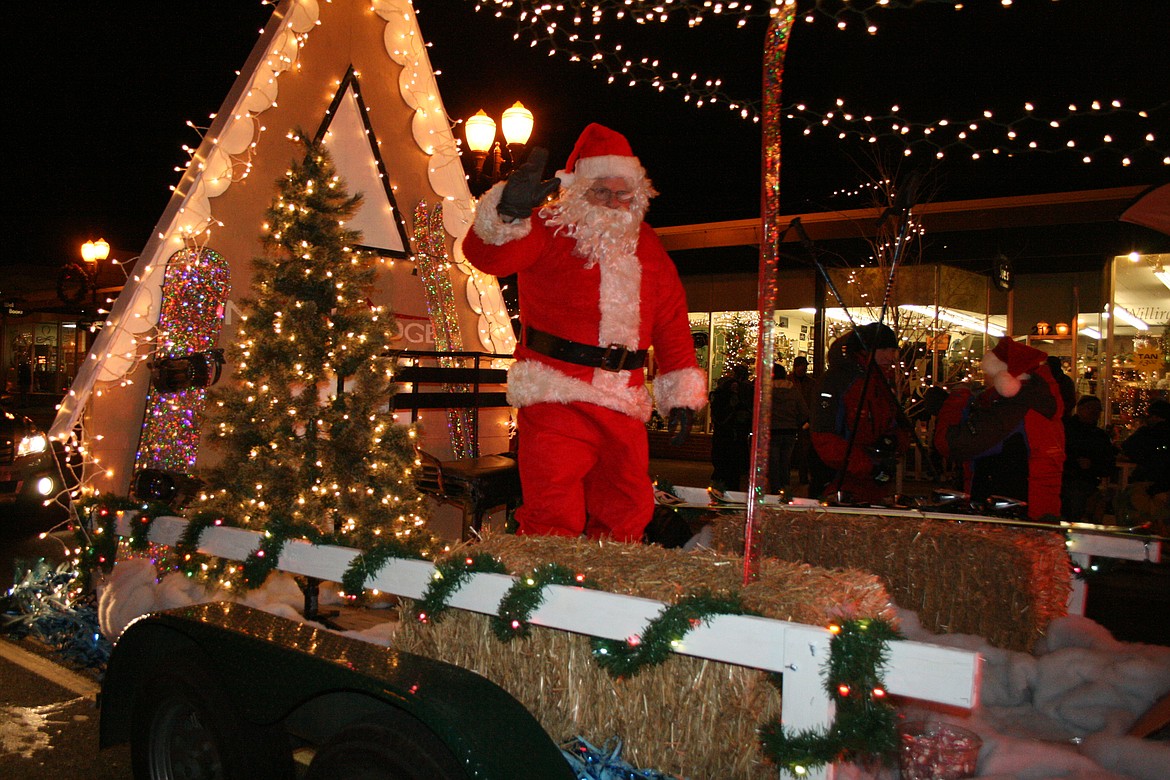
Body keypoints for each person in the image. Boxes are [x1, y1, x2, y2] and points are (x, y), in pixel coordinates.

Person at [461, 123, 708, 541]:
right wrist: (507, 213)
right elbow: (487, 256)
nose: (614, 202)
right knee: (553, 511)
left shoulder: (647, 245)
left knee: (627, 509)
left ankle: (609, 598)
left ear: (638, 193)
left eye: (623, 193)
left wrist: (680, 392)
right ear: (577, 189)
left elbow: (670, 319)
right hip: (557, 392)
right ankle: (540, 599)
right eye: (601, 192)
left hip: (624, 399)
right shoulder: (544, 227)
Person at [934, 336, 1066, 519]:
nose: (986, 380)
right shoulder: (1037, 402)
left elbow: (952, 443)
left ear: (1005, 378)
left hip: (1007, 513)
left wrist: (956, 401)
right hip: (1037, 508)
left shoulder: (1012, 410)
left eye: (989, 374)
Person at [810, 322, 909, 504]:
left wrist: (894, 442)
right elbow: (824, 437)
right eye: (884, 349)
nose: (891, 356)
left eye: (893, 350)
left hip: (874, 485)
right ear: (865, 350)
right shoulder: (839, 380)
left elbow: (894, 424)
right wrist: (868, 466)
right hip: (838, 484)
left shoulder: (881, 381)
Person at [1060, 395, 1116, 520]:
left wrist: (1092, 465)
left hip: (1085, 483)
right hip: (1065, 479)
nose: (1094, 412)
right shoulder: (1065, 430)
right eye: (1090, 408)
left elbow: (1108, 465)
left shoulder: (1100, 436)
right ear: (1080, 409)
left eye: (1097, 410)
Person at [1117, 399, 1170, 531]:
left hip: (1148, 483)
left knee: (1137, 513)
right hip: (1163, 485)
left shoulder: (1147, 433)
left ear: (1155, 416)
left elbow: (1128, 447)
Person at [769, 363, 809, 493]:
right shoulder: (793, 390)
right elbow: (803, 410)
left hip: (773, 429)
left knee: (774, 461)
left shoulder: (767, 390)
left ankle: (775, 488)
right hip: (790, 430)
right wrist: (798, 423)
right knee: (785, 461)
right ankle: (785, 487)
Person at [709, 373, 745, 491]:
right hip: (724, 437)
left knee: (733, 468)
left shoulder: (738, 398)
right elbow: (720, 418)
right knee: (722, 465)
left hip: (734, 438)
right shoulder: (720, 398)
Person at [790, 355, 816, 487]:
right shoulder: (789, 381)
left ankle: (803, 476)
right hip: (792, 417)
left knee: (804, 449)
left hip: (803, 418)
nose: (803, 369)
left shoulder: (810, 383)